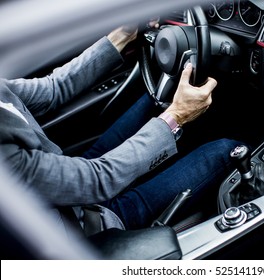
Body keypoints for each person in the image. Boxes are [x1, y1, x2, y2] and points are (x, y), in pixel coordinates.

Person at [0, 22, 243, 233]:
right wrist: (176, 115)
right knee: (228, 150)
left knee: (156, 101)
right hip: (85, 225)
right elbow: (97, 180)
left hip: (64, 180)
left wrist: (122, 35)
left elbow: (52, 89)